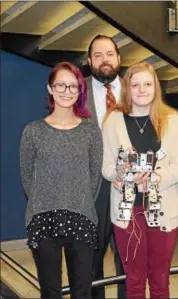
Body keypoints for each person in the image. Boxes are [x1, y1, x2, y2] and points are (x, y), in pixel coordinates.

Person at [102, 61, 178, 299]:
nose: (141, 90)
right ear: (127, 88)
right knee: (135, 281)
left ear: (156, 87)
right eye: (135, 84)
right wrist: (120, 174)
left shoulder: (171, 119)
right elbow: (106, 167)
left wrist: (155, 178)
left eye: (147, 84)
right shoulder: (113, 120)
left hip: (163, 210)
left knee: (160, 281)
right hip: (127, 211)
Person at [20, 61, 103, 299]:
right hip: (43, 219)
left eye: (73, 86)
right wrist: (46, 200)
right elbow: (27, 178)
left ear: (79, 91)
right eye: (61, 85)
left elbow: (94, 178)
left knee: (82, 292)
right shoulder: (33, 131)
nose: (67, 91)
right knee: (50, 292)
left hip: (82, 218)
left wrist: (76, 200)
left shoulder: (90, 132)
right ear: (50, 89)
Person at [86, 34, 125, 299]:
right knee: (91, 255)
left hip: (130, 185)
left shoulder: (138, 88)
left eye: (109, 54)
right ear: (89, 61)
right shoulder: (76, 93)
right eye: (98, 55)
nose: (104, 61)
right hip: (93, 187)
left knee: (128, 256)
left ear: (119, 58)